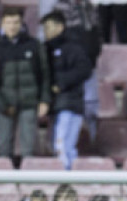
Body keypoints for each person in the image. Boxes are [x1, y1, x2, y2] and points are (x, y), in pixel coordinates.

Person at [0, 7, 51, 162]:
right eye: (8, 22)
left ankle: (28, 183)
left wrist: (45, 100)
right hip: (4, 107)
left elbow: (46, 75)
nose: (12, 26)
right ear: (3, 25)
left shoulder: (34, 45)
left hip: (29, 105)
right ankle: (6, 185)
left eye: (15, 22)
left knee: (29, 149)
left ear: (21, 24)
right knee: (3, 148)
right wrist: (1, 104)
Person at [42, 10, 93, 170]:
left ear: (61, 27)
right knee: (64, 145)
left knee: (62, 144)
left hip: (70, 104)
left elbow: (85, 69)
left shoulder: (73, 48)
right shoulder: (45, 49)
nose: (47, 31)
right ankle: (69, 178)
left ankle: (65, 180)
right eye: (45, 28)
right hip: (55, 105)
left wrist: (60, 83)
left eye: (50, 27)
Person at [54, 0, 103, 141]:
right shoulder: (60, 7)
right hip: (70, 69)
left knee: (91, 109)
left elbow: (97, 34)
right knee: (67, 111)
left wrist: (95, 51)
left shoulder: (90, 6)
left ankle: (92, 143)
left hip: (89, 67)